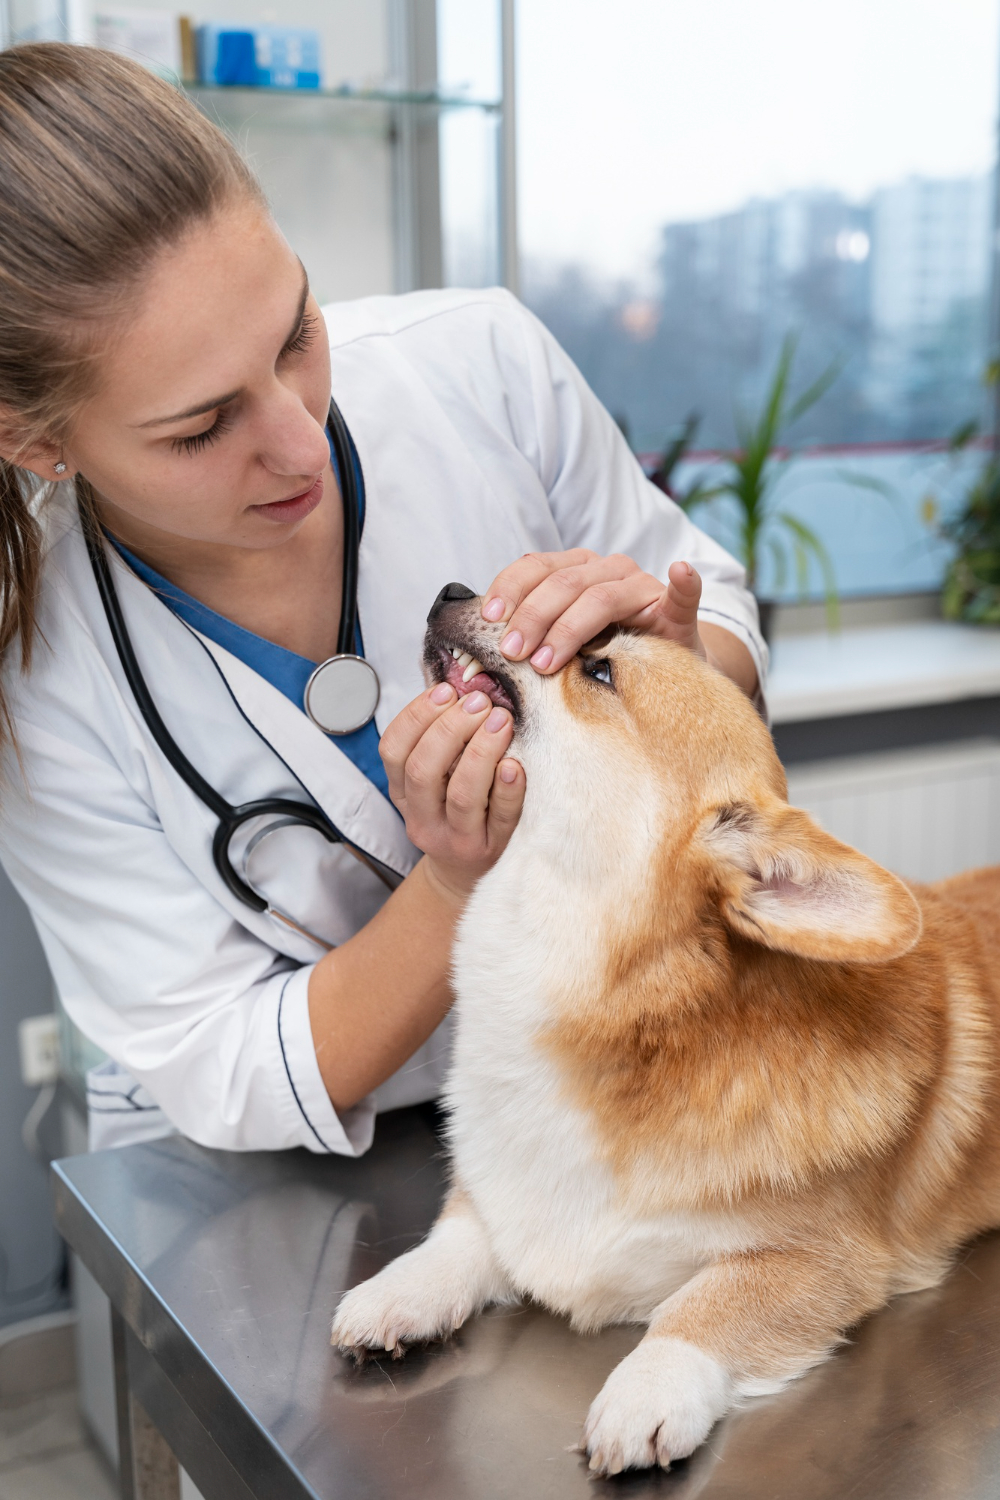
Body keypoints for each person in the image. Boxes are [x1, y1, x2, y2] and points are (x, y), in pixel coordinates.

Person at [0, 43, 766, 1156]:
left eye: (295, 335)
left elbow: (719, 610)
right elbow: (230, 1069)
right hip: (274, 1191)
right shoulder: (37, 673)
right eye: (203, 428)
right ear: (36, 443)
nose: (301, 440)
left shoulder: (481, 365)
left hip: (605, 1085)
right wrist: (456, 878)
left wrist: (678, 668)